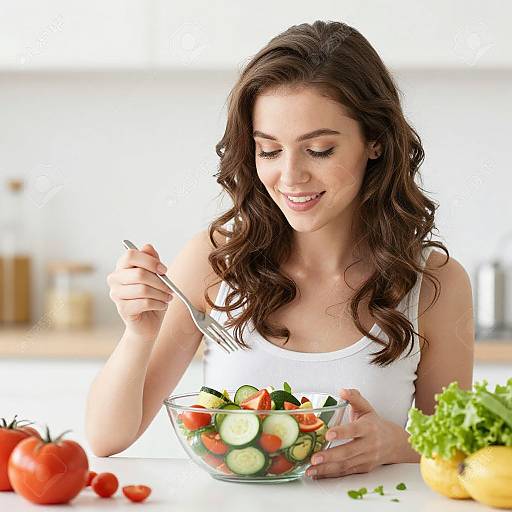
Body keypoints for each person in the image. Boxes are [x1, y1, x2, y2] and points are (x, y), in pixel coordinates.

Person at [86, 20, 474, 479]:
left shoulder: (435, 282)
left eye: (320, 150)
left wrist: (396, 444)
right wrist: (138, 333)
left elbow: (462, 454)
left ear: (376, 142)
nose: (290, 177)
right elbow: (107, 437)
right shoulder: (214, 262)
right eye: (269, 150)